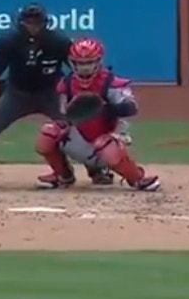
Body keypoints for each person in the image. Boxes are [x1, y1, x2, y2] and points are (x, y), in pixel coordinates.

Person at [0, 4, 116, 186]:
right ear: (21, 23)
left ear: (45, 23)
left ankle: (98, 169)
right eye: (29, 23)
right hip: (17, 94)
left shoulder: (58, 42)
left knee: (77, 129)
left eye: (37, 23)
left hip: (52, 92)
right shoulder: (8, 42)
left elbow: (77, 70)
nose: (33, 27)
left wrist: (83, 94)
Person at [35, 38, 160, 191]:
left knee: (105, 145)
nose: (84, 67)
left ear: (98, 61)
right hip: (78, 138)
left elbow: (131, 107)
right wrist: (65, 120)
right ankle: (63, 175)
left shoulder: (111, 82)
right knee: (49, 132)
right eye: (80, 63)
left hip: (107, 139)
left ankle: (137, 179)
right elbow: (62, 115)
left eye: (89, 63)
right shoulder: (66, 83)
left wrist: (107, 109)